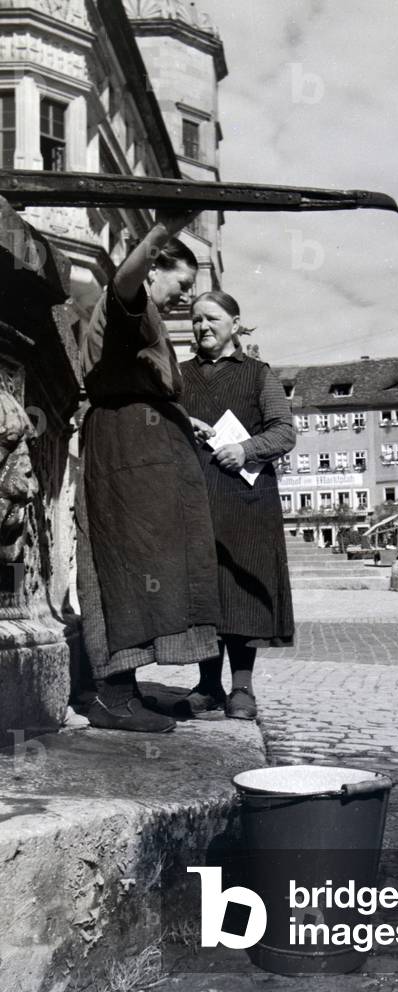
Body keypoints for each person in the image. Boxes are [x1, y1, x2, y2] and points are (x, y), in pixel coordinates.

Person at [77, 213, 220, 733]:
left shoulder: (151, 322)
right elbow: (123, 284)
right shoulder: (131, 307)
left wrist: (184, 421)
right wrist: (161, 230)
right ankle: (114, 698)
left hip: (141, 448)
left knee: (145, 565)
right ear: (156, 266)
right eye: (182, 284)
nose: (185, 297)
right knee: (128, 564)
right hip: (127, 456)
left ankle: (127, 690)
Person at [178, 291, 296, 720]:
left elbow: (284, 432)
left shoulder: (258, 374)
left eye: (211, 319)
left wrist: (246, 449)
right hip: (195, 497)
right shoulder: (179, 376)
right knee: (204, 592)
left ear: (235, 323)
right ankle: (207, 685)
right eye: (195, 321)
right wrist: (180, 422)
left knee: (243, 591)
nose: (202, 327)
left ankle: (241, 689)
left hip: (246, 500)